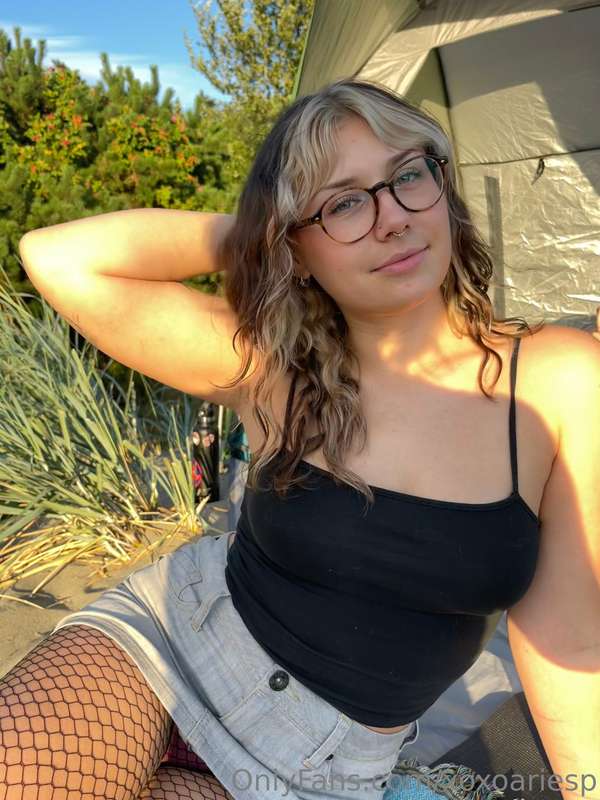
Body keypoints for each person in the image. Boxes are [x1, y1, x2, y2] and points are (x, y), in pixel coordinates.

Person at [8, 78, 599, 800]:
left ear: (443, 186)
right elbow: (60, 258)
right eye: (344, 203)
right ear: (295, 243)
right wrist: (261, 234)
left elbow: (569, 642)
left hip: (318, 767)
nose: (392, 218)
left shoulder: (558, 380)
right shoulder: (271, 365)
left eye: (408, 175)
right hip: (166, 651)